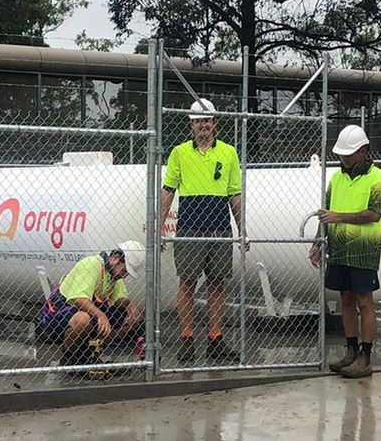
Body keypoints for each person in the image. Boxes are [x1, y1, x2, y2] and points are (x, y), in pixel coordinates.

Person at [156, 97, 244, 363]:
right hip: (189, 228)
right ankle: (187, 338)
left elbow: (235, 195)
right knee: (187, 283)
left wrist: (242, 230)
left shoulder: (228, 153)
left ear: (214, 123)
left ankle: (215, 339)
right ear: (191, 126)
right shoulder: (179, 153)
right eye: (198, 122)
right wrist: (159, 227)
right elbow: (168, 192)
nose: (203, 126)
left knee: (217, 284)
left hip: (219, 227)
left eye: (207, 121)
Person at [310, 124, 381, 378]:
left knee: (364, 300)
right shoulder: (337, 178)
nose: (343, 158)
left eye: (348, 153)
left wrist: (338, 217)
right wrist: (317, 242)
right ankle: (351, 350)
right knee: (345, 299)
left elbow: (373, 214)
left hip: (364, 250)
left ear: (363, 151)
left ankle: (366, 356)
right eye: (341, 153)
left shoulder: (377, 179)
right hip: (340, 249)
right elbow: (326, 214)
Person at [37, 241, 145, 371]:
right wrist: (101, 316)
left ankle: (92, 353)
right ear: (115, 258)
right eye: (125, 270)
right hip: (59, 315)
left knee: (129, 316)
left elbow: (119, 299)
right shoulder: (92, 264)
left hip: (85, 312)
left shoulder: (113, 276)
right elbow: (78, 299)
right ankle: (69, 359)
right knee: (83, 319)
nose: (125, 274)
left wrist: (131, 306)